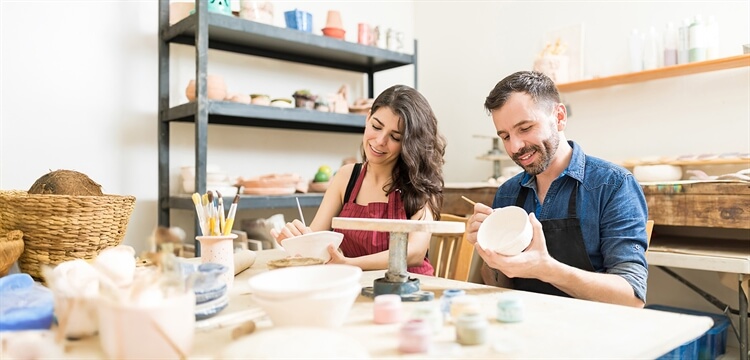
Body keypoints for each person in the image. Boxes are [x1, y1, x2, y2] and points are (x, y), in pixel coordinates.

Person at [466, 71, 649, 308]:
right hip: (525, 326)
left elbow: (631, 297)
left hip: (594, 331)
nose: (515, 146)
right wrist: (490, 253)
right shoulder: (508, 193)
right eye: (505, 136)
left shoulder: (613, 185)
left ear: (559, 117)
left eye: (525, 128)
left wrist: (547, 269)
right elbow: (501, 288)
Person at [271, 85, 446, 276]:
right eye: (376, 126)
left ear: (410, 143)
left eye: (395, 137)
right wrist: (295, 239)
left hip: (410, 290)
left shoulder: (420, 183)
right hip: (356, 285)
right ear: (368, 118)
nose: (380, 140)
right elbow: (314, 238)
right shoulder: (346, 178)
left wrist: (350, 264)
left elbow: (414, 253)